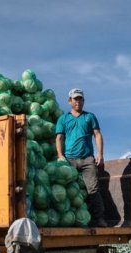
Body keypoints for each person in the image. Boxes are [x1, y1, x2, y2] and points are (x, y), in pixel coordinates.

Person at [55, 88, 107, 227]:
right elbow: (59, 138)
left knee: (93, 189)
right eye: (75, 98)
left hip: (87, 160)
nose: (78, 101)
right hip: (69, 160)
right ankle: (70, 220)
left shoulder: (89, 117)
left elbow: (97, 135)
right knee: (68, 190)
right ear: (69, 101)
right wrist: (60, 156)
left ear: (83, 101)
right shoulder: (64, 119)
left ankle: (99, 219)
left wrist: (100, 154)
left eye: (80, 99)